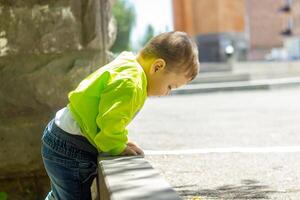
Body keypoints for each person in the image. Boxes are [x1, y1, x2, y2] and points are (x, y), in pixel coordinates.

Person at [41, 31, 200, 200]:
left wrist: (121, 142)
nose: (167, 93)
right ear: (157, 67)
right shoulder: (131, 83)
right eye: (170, 86)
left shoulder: (129, 64)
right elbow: (109, 122)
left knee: (60, 197)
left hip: (61, 136)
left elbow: (108, 115)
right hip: (70, 147)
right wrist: (118, 147)